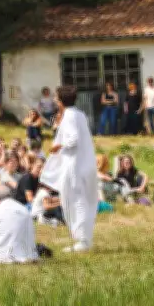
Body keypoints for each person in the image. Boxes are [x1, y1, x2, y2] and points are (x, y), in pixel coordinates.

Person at [41, 85, 97, 253]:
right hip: (80, 164)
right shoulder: (78, 114)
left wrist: (58, 146)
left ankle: (82, 240)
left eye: (56, 97)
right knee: (78, 201)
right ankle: (82, 238)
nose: (54, 100)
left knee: (75, 201)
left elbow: (73, 140)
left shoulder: (70, 116)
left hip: (74, 167)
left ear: (60, 100)